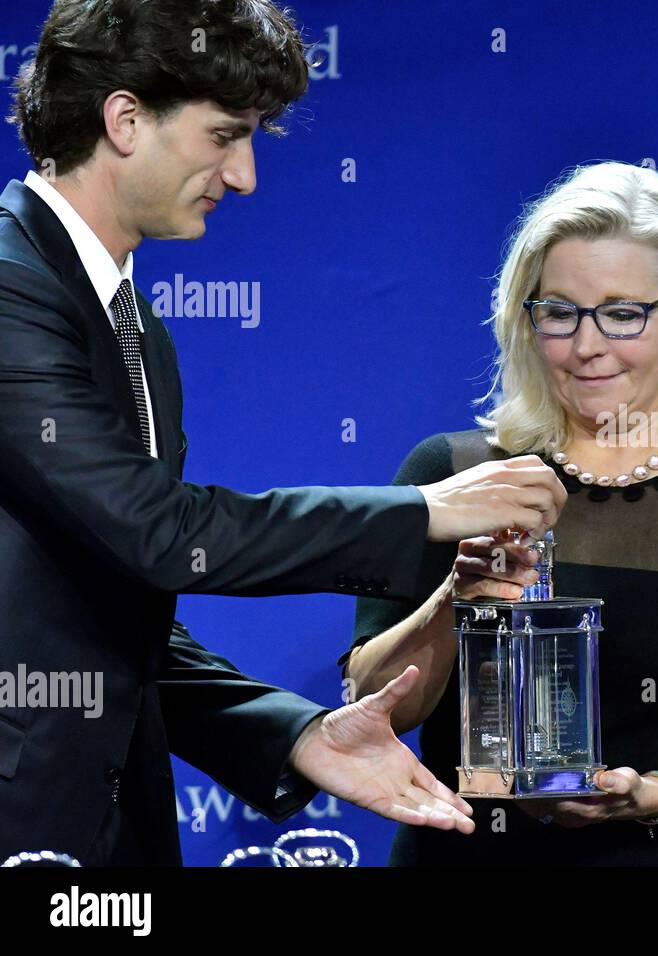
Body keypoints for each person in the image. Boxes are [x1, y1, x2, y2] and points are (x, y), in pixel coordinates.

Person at [0, 0, 566, 865]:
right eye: (225, 135)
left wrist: (297, 735)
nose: (245, 175)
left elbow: (115, 604)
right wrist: (421, 512)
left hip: (111, 829)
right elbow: (160, 534)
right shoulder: (11, 291)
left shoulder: (130, 320)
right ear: (124, 119)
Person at [342, 161, 658, 866]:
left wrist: (656, 794)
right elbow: (370, 707)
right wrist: (454, 605)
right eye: (559, 312)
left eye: (622, 312)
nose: (586, 345)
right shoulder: (452, 478)